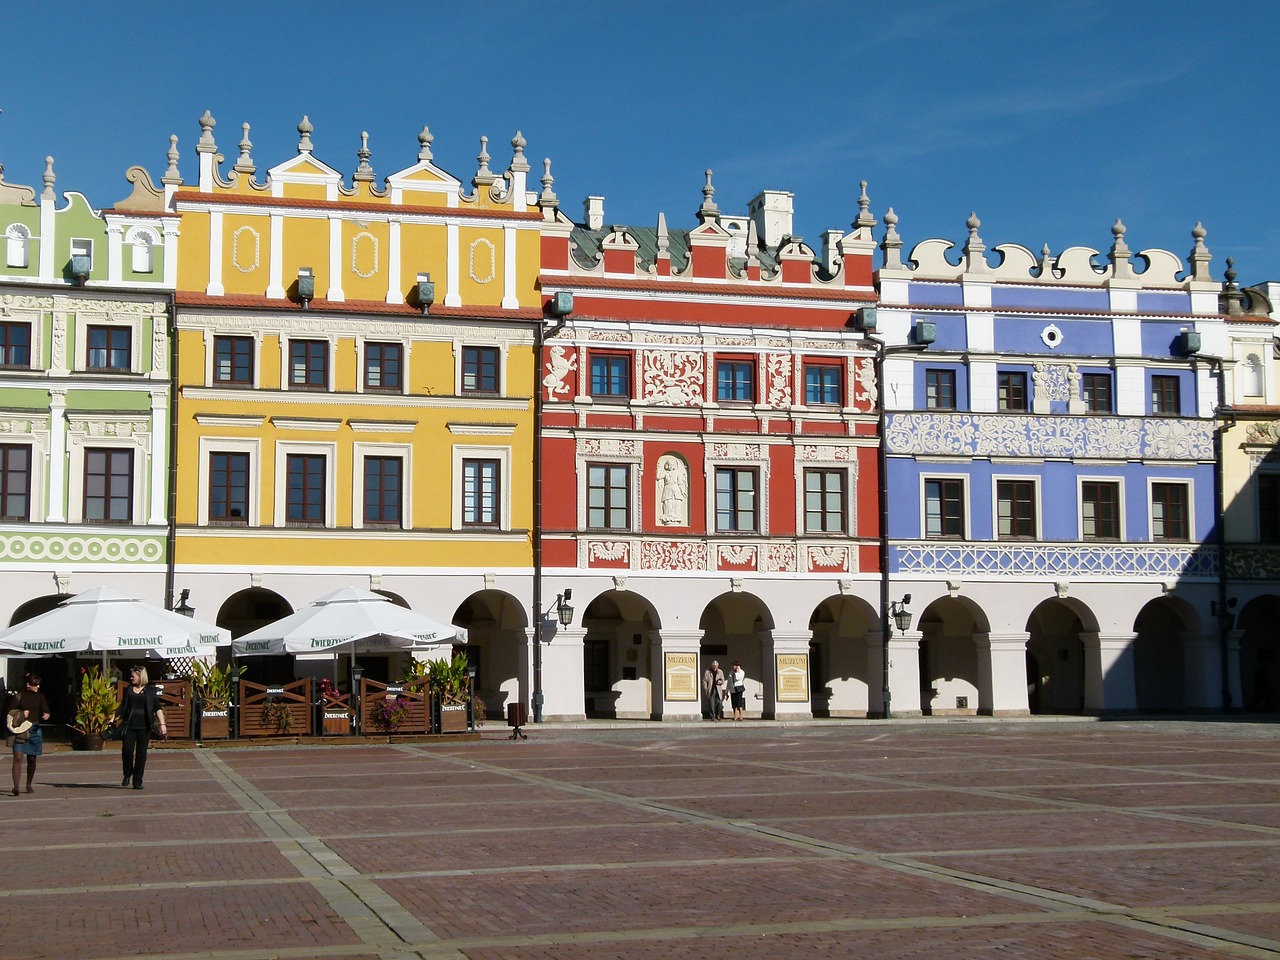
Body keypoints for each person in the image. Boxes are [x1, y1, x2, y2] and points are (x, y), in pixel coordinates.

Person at [111, 665, 166, 790]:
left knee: (141, 754)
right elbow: (122, 706)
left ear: (140, 676)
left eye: (133, 676)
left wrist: (162, 724)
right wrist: (114, 717)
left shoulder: (150, 691)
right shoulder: (129, 690)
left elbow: (157, 708)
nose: (131, 678)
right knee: (127, 751)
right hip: (129, 725)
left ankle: (137, 780)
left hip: (144, 727)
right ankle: (127, 773)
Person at [11, 673, 49, 796]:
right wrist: (21, 713)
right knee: (18, 757)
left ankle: (28, 784)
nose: (37, 686)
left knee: (32, 758)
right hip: (20, 729)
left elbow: (46, 710)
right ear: (28, 685)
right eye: (35, 684)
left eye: (39, 684)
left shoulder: (40, 696)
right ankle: (16, 786)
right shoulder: (18, 697)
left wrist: (46, 715)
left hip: (34, 729)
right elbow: (9, 713)